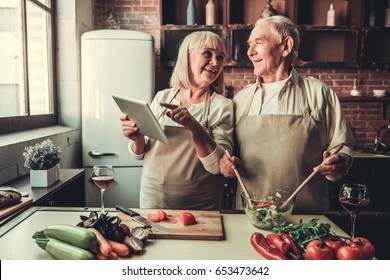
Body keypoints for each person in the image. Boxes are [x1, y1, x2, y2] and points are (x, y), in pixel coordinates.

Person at [219, 15, 355, 212]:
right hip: (251, 216)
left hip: (308, 217)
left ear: (286, 46)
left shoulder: (320, 93)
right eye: (250, 44)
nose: (250, 52)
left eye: (258, 43)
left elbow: (343, 147)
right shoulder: (241, 99)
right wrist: (227, 164)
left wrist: (340, 163)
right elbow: (228, 153)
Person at [120, 31, 234, 210]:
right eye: (207, 53)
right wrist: (137, 139)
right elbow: (140, 153)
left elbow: (218, 166)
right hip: (152, 197)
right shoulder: (162, 97)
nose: (215, 62)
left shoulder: (222, 106)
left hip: (199, 203)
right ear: (187, 57)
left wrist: (194, 127)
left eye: (220, 57)